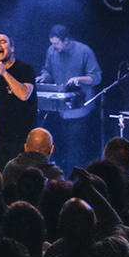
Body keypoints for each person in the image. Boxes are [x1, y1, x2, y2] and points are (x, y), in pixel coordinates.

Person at [36, 25, 102, 170]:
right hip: (59, 109)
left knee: (75, 151)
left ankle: (75, 183)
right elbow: (48, 71)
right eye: (51, 43)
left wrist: (79, 79)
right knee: (58, 149)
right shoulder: (51, 51)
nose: (53, 47)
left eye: (56, 43)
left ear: (66, 40)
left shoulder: (84, 51)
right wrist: (43, 77)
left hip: (79, 109)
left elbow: (96, 77)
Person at [0, 34, 36, 165]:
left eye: (3, 42)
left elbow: (24, 95)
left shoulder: (25, 69)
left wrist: (4, 73)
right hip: (0, 136)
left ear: (12, 48)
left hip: (22, 136)